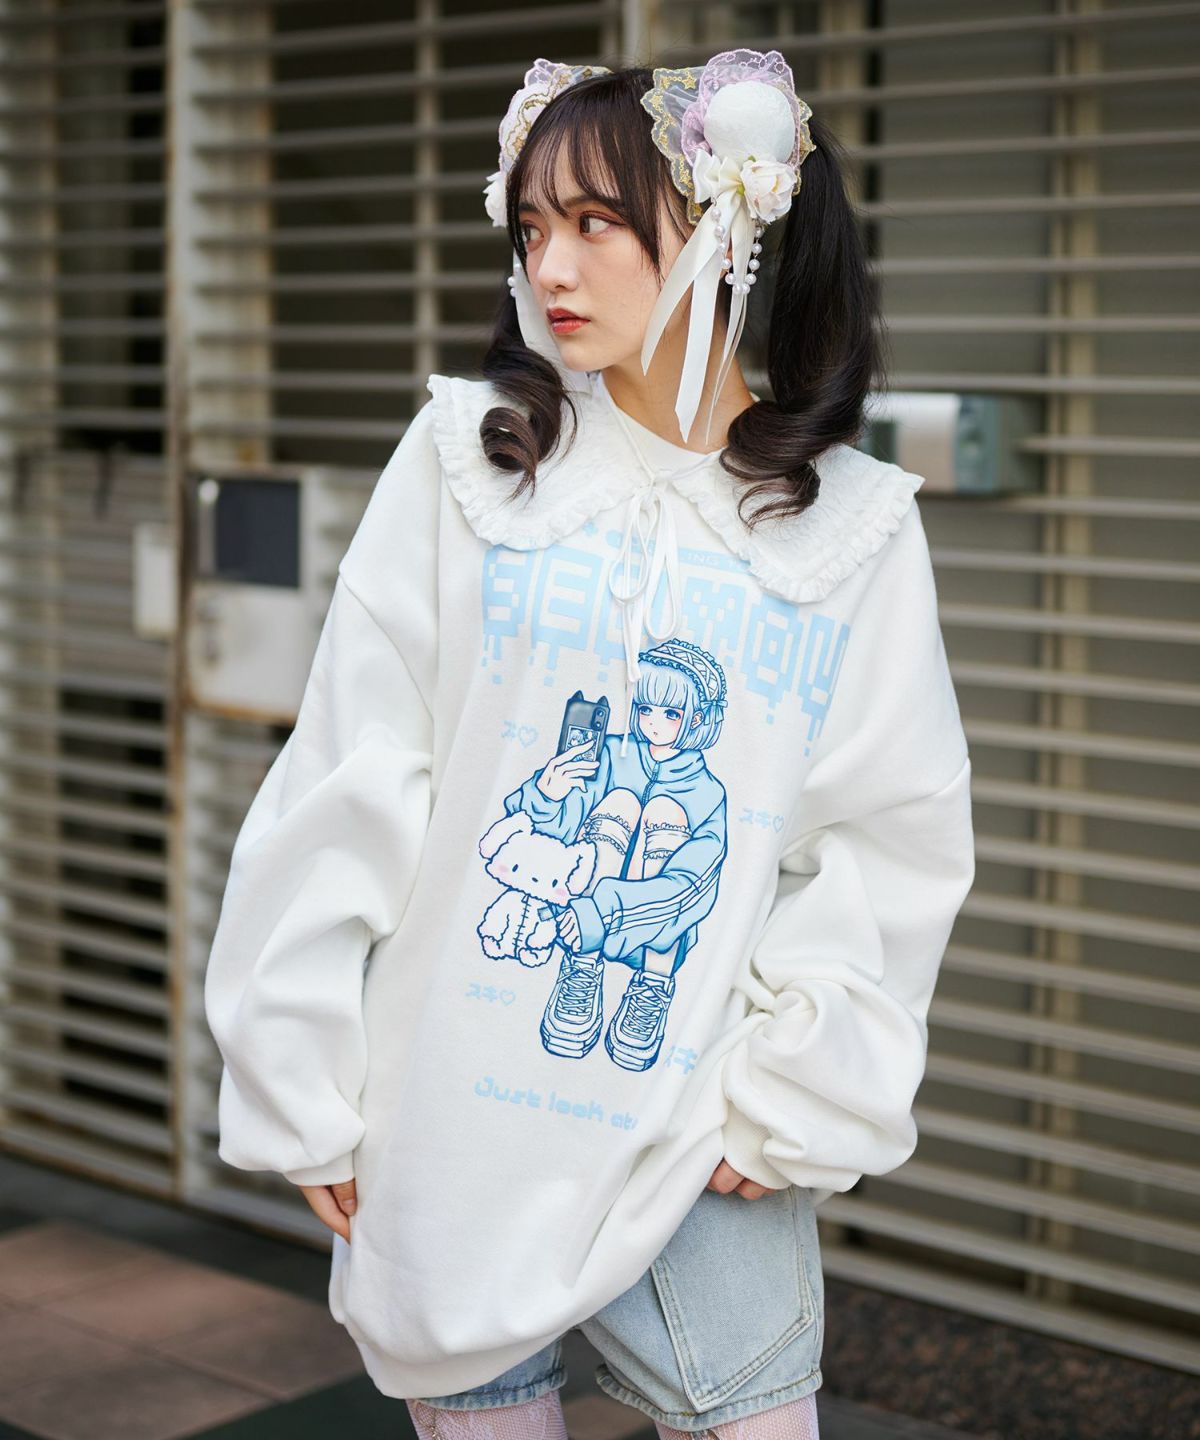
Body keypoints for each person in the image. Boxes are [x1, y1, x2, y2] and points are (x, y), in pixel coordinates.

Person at [203, 49, 976, 1440]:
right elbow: (352, 777)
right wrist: (301, 1074)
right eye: (531, 226)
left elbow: (885, 836)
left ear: (725, 231)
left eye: (597, 223)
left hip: (693, 1126)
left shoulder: (847, 526)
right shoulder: (472, 463)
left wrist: (797, 1096)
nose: (550, 265)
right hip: (449, 1108)